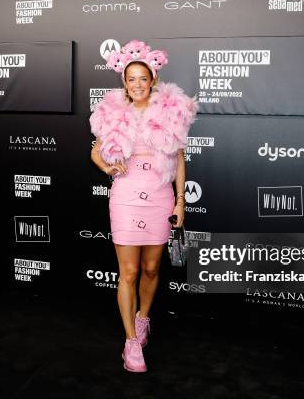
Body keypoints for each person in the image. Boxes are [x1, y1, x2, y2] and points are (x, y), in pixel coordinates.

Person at [89, 40, 198, 372]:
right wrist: (108, 168)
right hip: (125, 196)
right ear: (124, 81)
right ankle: (131, 342)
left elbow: (178, 159)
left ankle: (143, 318)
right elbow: (96, 151)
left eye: (142, 78)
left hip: (160, 195)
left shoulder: (170, 111)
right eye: (130, 78)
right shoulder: (113, 113)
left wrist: (180, 201)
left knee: (151, 269)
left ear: (153, 80)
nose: (136, 84)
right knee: (129, 272)